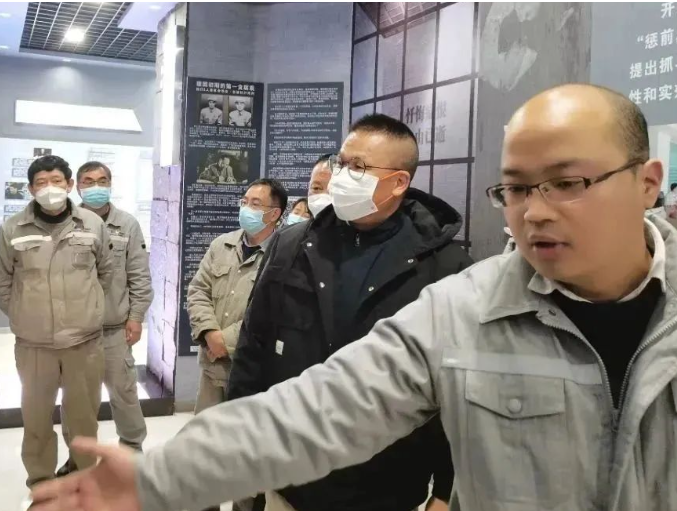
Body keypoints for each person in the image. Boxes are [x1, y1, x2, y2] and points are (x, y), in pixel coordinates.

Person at [31, 84, 675, 511]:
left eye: (567, 183)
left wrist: (441, 492)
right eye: (515, 189)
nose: (533, 212)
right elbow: (321, 408)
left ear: (648, 183)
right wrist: (160, 478)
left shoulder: (440, 264)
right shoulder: (464, 308)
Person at [227, 114, 471, 511]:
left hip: (386, 489)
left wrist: (445, 489)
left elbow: (457, 388)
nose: (341, 176)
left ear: (398, 183)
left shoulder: (445, 268)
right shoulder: (293, 246)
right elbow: (253, 350)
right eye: (341, 163)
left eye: (358, 167)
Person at [0, 155, 113, 489]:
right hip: (35, 347)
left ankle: (83, 483)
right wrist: (23, 313)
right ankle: (42, 487)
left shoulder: (92, 224)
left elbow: (105, 273)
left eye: (56, 181)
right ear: (31, 189)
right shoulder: (12, 229)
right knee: (36, 422)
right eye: (41, 183)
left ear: (69, 184)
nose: (49, 188)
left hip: (84, 344)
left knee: (83, 421)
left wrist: (89, 310)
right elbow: (3, 282)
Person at [187, 178, 287, 511]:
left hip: (254, 374)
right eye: (245, 201)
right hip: (213, 368)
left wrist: (225, 340)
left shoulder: (285, 254)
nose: (246, 208)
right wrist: (208, 332)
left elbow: (272, 312)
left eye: (256, 204)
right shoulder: (222, 245)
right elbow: (198, 290)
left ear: (274, 214)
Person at [55, 161, 153, 477]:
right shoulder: (65, 223)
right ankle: (79, 458)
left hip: (114, 331)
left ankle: (132, 452)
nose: (96, 186)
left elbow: (139, 274)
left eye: (102, 180)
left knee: (125, 395)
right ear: (77, 185)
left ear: (111, 183)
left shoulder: (127, 224)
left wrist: (136, 316)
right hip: (75, 333)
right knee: (76, 400)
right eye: (89, 181)